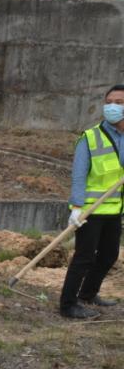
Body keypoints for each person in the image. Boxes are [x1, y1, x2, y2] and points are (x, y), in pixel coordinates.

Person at [59, 84, 124, 319]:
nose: (112, 107)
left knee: (108, 256)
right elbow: (78, 175)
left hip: (114, 209)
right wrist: (76, 208)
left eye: (119, 102)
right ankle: (67, 304)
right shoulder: (90, 137)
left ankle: (88, 293)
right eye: (109, 102)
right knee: (84, 257)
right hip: (89, 210)